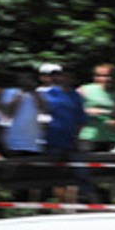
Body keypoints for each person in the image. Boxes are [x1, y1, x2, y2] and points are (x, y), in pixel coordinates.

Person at [40, 66, 91, 202]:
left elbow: (81, 119)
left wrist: (77, 136)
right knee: (51, 174)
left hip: (71, 141)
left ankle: (86, 199)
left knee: (81, 172)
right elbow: (42, 114)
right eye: (62, 76)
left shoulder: (75, 96)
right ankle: (48, 201)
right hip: (53, 139)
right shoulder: (49, 94)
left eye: (67, 76)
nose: (64, 79)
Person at [0, 71, 46, 157]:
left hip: (34, 142)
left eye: (28, 78)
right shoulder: (10, 92)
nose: (25, 81)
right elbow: (8, 113)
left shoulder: (38, 93)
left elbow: (45, 109)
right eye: (22, 78)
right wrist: (18, 97)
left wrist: (34, 93)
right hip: (15, 142)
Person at [78, 63, 115, 152]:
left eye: (108, 76)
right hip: (88, 136)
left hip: (110, 138)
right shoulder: (85, 90)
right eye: (100, 75)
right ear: (95, 77)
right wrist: (90, 111)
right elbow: (74, 110)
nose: (105, 79)